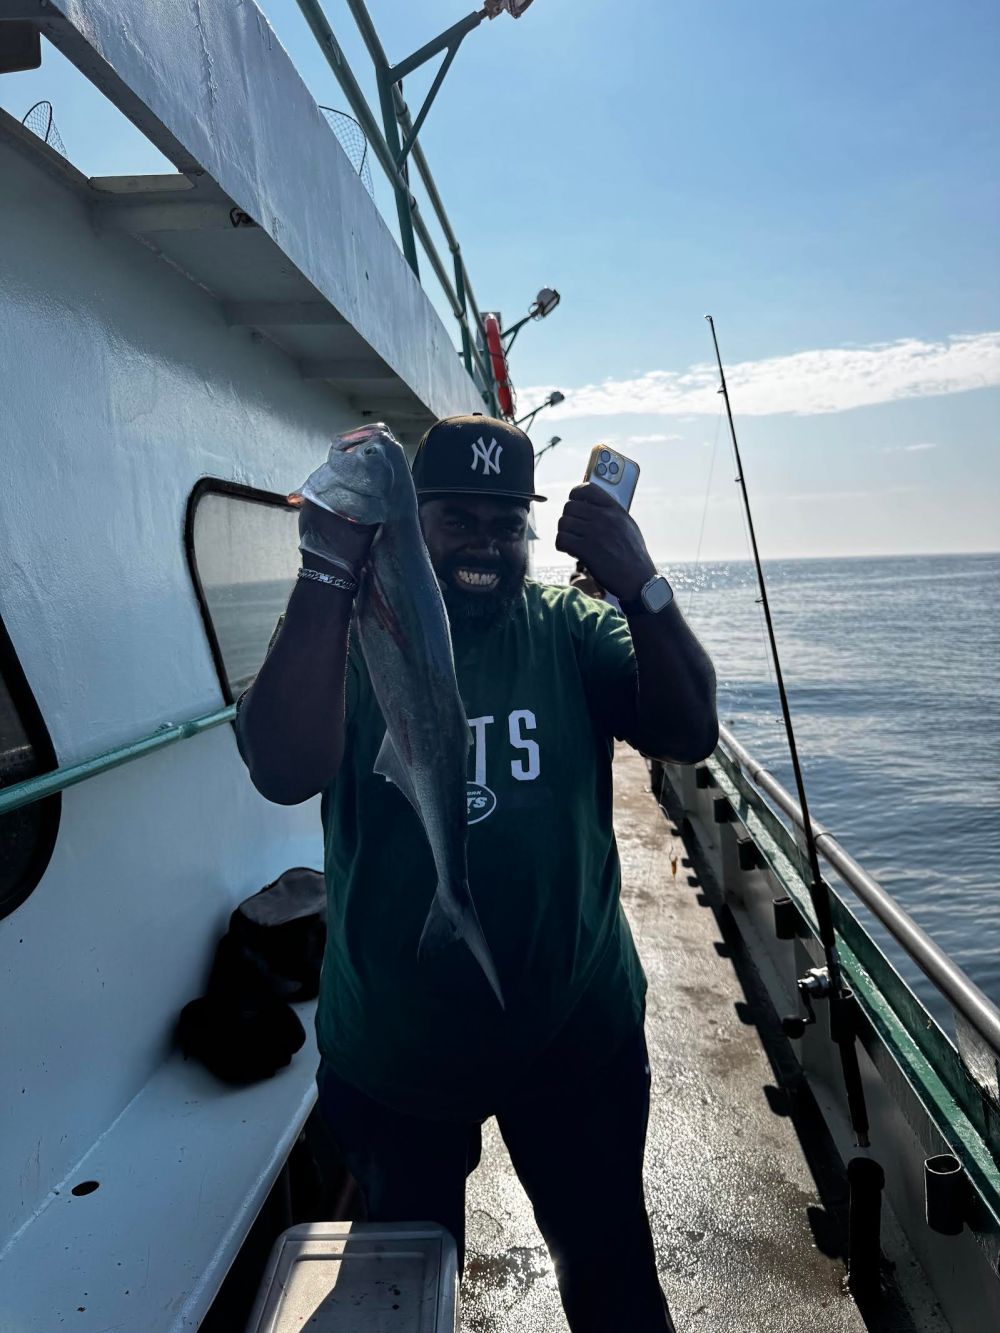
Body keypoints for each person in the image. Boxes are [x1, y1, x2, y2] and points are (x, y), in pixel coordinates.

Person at [235, 415, 718, 1333]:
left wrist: (641, 583)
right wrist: (327, 568)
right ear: (413, 524)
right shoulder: (357, 628)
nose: (487, 545)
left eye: (508, 524)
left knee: (613, 1273)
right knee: (405, 1296)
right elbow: (282, 768)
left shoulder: (570, 630)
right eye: (459, 520)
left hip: (578, 1041)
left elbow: (690, 730)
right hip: (395, 1056)